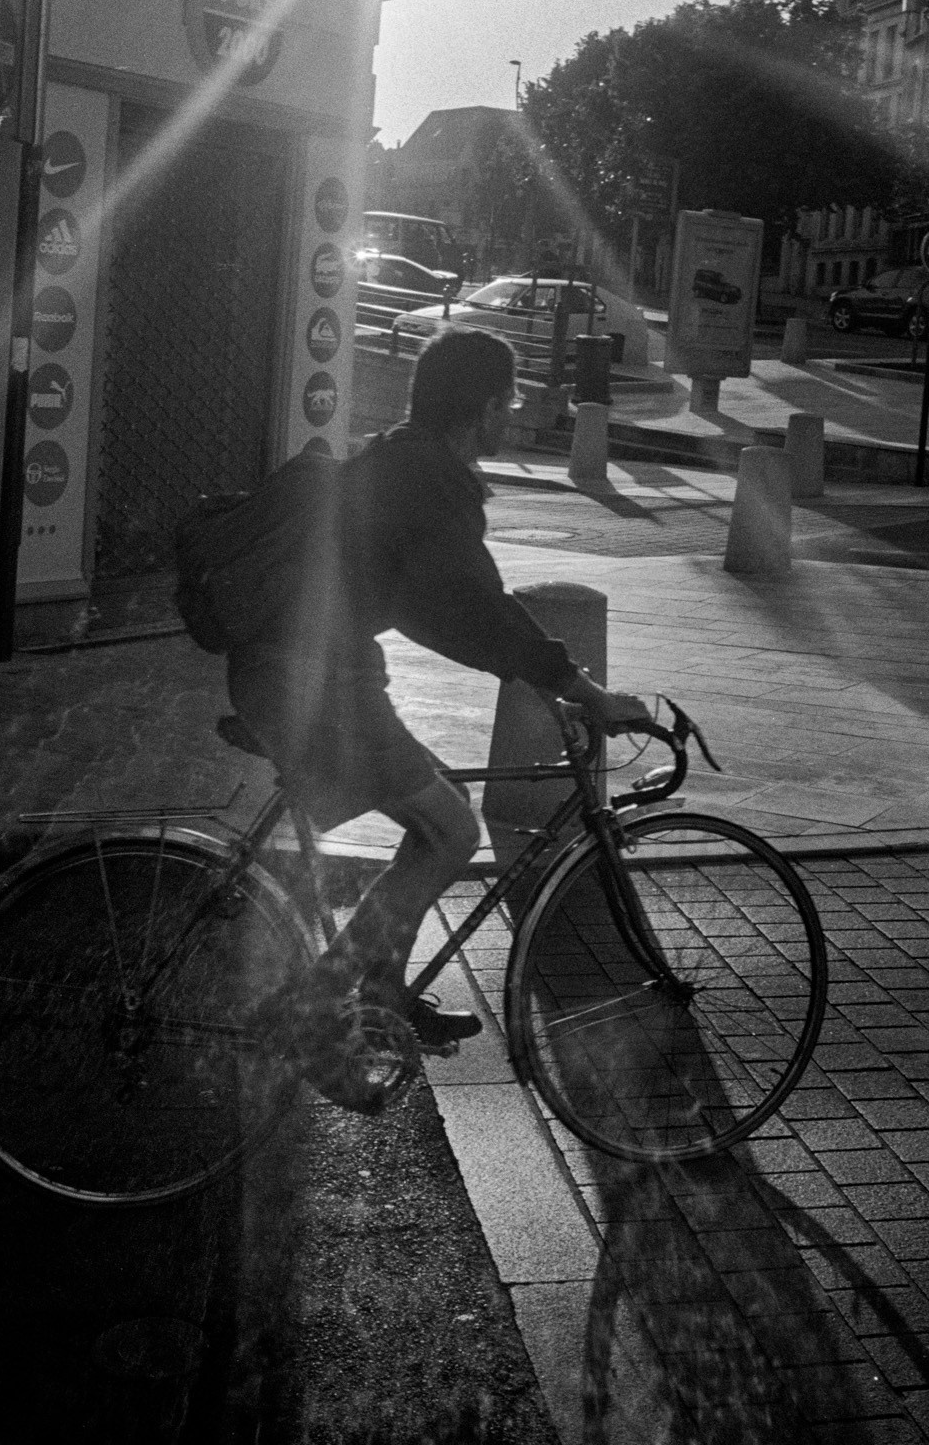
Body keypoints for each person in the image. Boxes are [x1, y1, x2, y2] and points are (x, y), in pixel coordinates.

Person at [228, 325, 650, 1059]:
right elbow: (472, 606)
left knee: (441, 803)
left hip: (302, 668)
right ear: (483, 407)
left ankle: (381, 996)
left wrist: (532, 668)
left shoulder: (401, 458)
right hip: (311, 677)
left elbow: (440, 609)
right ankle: (313, 1010)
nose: (510, 415)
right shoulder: (424, 478)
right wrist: (582, 690)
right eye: (507, 401)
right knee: (452, 831)